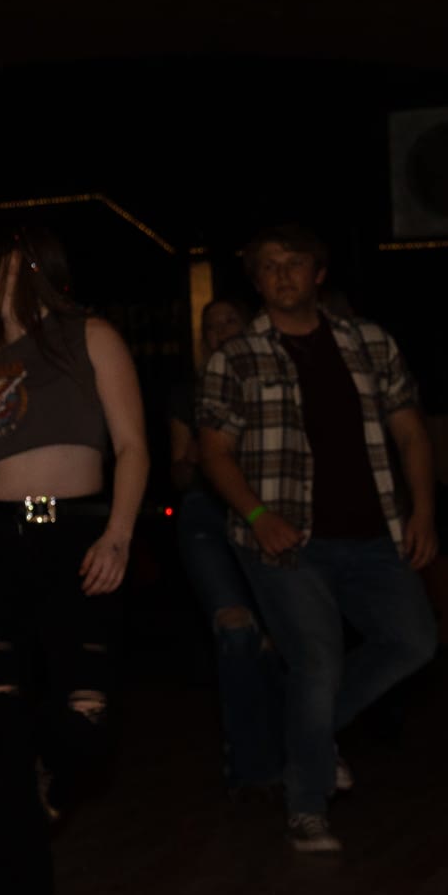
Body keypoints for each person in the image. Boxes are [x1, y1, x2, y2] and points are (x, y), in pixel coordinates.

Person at [0, 225, 146, 895]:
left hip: (76, 539)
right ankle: (14, 891)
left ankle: (48, 778)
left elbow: (133, 446)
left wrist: (119, 533)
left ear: (18, 265)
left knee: (87, 715)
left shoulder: (91, 337)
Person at [196, 225, 440, 853]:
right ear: (257, 282)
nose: (282, 275)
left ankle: (308, 732)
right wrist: (257, 516)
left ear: (319, 273)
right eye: (269, 266)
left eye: (294, 263)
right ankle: (306, 807)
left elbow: (410, 432)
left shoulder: (370, 342)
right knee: (317, 658)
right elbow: (214, 452)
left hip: (373, 532)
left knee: (413, 640)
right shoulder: (236, 357)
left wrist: (423, 511)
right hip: (284, 539)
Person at [168, 295, 283, 792]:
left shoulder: (272, 379)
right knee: (235, 629)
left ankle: (287, 746)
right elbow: (178, 475)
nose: (222, 332)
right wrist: (194, 455)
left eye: (230, 321)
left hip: (265, 512)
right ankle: (248, 762)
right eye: (211, 327)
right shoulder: (186, 392)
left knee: (275, 637)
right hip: (206, 514)